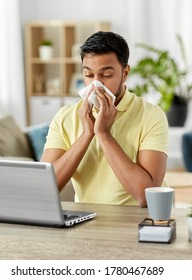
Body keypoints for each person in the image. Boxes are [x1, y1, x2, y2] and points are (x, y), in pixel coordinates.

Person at [41, 31, 168, 207]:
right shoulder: (65, 116)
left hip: (136, 221)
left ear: (125, 73)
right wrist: (87, 135)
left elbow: (147, 196)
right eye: (89, 75)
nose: (96, 84)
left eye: (106, 75)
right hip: (86, 221)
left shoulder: (151, 115)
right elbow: (45, 187)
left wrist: (103, 134)